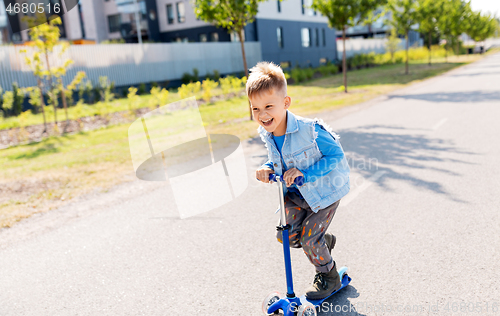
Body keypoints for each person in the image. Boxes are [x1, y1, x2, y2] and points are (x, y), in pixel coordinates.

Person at [247, 61, 350, 300]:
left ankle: (329, 276)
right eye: (255, 109)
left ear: (286, 103)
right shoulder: (269, 134)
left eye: (268, 106)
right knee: (286, 236)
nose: (262, 115)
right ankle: (321, 241)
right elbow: (277, 160)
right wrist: (266, 167)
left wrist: (306, 174)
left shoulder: (311, 130)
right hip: (296, 194)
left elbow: (336, 155)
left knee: (308, 240)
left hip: (324, 193)